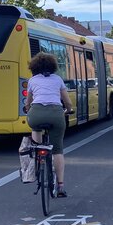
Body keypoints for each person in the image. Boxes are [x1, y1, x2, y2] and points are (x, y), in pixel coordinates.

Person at [25, 52, 74, 197]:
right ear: (52, 66)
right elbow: (68, 102)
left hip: (36, 113)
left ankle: (37, 156)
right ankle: (60, 186)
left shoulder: (32, 80)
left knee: (35, 129)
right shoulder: (57, 79)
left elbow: (28, 102)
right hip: (56, 114)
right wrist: (69, 110)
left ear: (34, 67)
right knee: (57, 150)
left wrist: (28, 109)